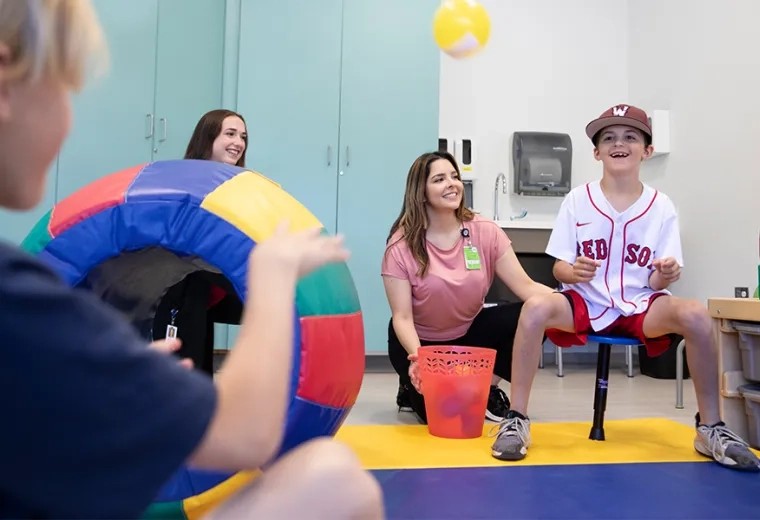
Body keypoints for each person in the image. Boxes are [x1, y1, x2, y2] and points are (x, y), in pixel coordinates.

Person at [0, 2, 385, 519]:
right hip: (193, 292)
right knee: (334, 478)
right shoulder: (18, 296)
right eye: (64, 92)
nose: (68, 121)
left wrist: (110, 378)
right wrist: (271, 280)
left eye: (243, 137)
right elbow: (247, 435)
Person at [490, 104, 760, 472]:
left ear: (647, 150)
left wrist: (665, 274)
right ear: (596, 151)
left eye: (630, 136)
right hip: (585, 302)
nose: (619, 143)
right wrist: (572, 271)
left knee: (695, 313)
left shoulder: (661, 206)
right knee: (535, 307)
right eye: (609, 137)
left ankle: (710, 427)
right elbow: (558, 266)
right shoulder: (577, 200)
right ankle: (517, 418)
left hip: (640, 306)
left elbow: (656, 280)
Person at [381, 150, 555, 424]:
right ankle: (408, 388)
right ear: (421, 192)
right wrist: (420, 360)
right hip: (420, 342)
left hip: (469, 332)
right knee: (441, 415)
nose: (452, 184)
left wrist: (571, 303)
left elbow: (526, 287)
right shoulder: (400, 246)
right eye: (439, 179)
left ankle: (486, 387)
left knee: (539, 312)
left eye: (454, 176)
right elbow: (402, 318)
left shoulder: (484, 231)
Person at [150, 109, 249, 375]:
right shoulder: (185, 181)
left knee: (280, 305)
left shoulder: (237, 186)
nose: (238, 142)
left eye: (242, 136)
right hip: (183, 286)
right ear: (208, 138)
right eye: (230, 134)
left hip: (215, 283)